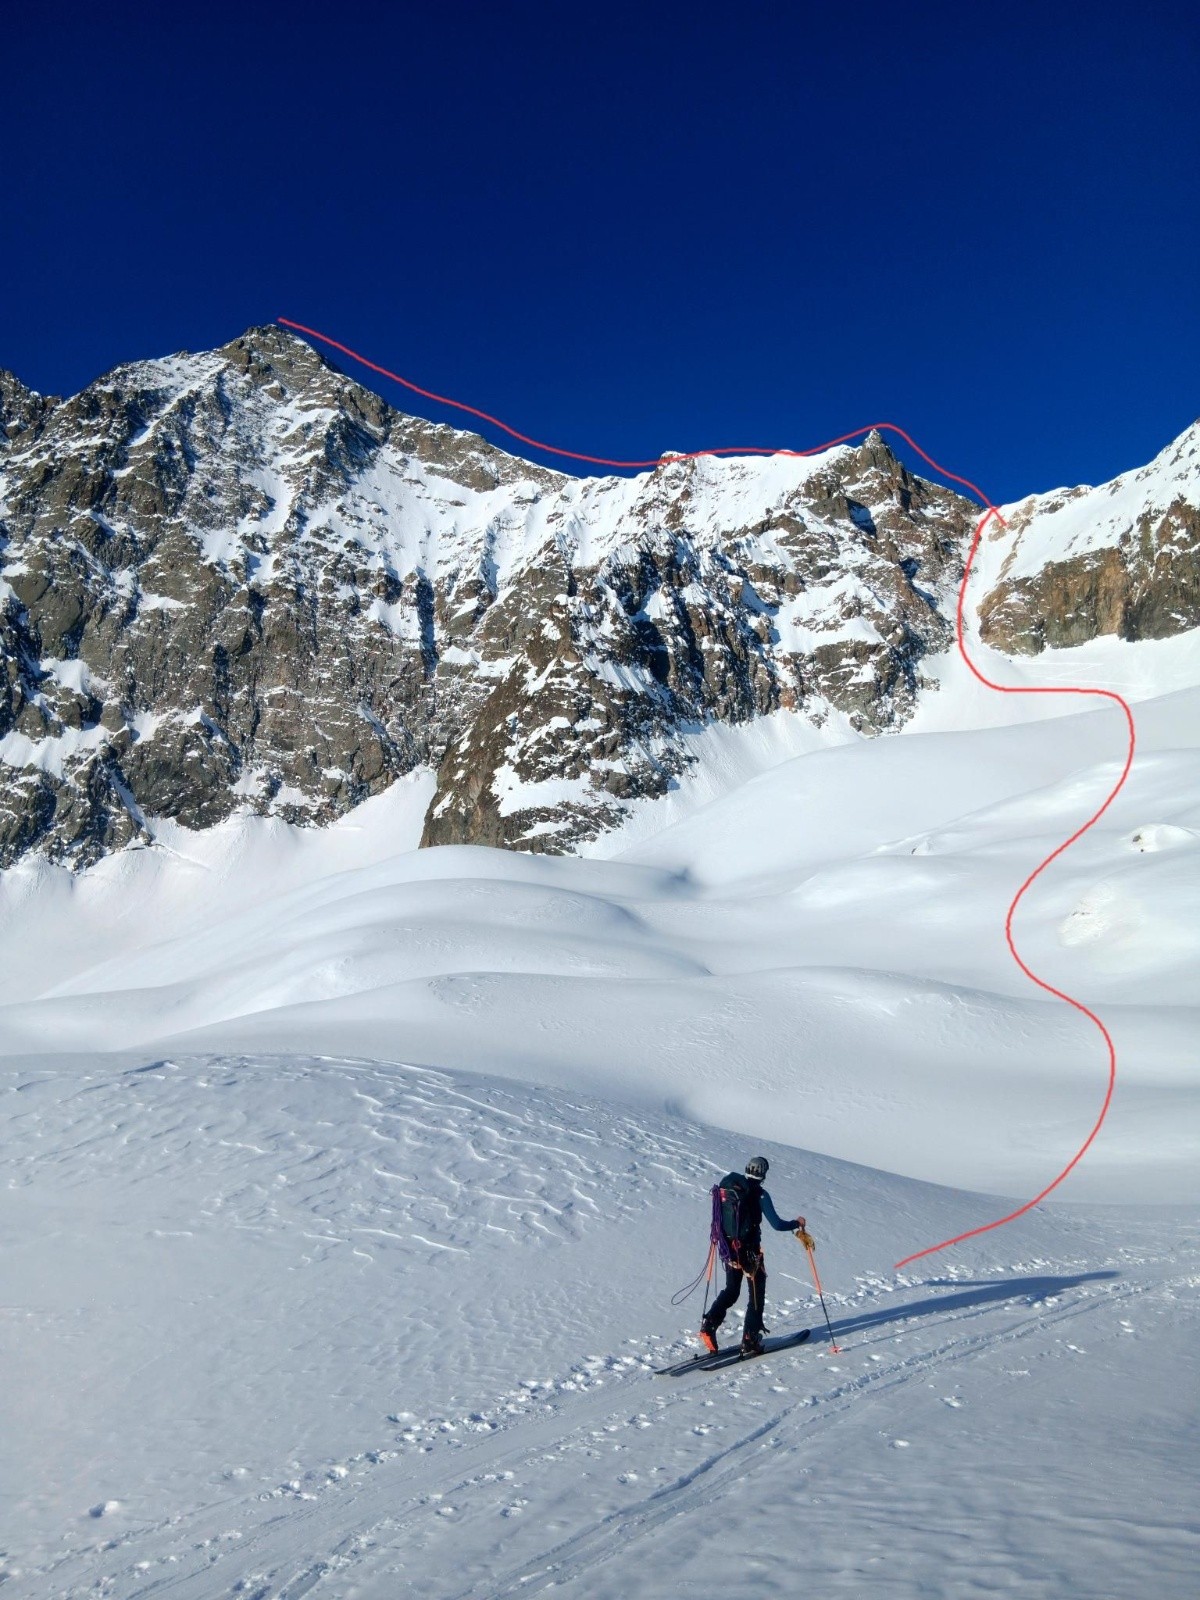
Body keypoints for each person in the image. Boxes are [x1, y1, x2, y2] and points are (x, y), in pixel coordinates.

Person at [700, 1155, 806, 1356]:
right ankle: (750, 1338)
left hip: (729, 1249)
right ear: (764, 1174)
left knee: (731, 1290)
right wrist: (796, 1223)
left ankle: (709, 1325)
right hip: (750, 1252)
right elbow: (777, 1224)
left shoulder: (728, 1188)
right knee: (756, 1295)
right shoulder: (760, 1194)